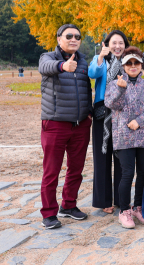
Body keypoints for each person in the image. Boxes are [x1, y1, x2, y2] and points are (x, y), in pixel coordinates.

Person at [38, 24, 93, 230]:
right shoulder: (48, 57)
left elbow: (86, 88)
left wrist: (88, 111)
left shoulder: (83, 61)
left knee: (76, 169)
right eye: (69, 36)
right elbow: (45, 68)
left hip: (80, 124)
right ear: (59, 38)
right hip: (55, 123)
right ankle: (49, 213)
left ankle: (68, 205)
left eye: (77, 36)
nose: (73, 39)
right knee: (51, 171)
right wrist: (63, 66)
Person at [105, 47, 144, 229]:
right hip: (124, 136)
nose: (133, 65)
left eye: (136, 62)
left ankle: (138, 207)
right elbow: (111, 104)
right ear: (123, 65)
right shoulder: (115, 84)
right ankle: (124, 211)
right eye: (129, 63)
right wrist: (121, 90)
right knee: (127, 173)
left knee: (143, 172)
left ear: (141, 65)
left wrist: (139, 121)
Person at [88, 30, 129, 214]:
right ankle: (104, 200)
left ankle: (121, 198)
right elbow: (92, 73)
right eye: (114, 43)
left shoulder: (129, 62)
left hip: (123, 113)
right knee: (102, 157)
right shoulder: (100, 60)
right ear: (107, 44)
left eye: (121, 43)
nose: (117, 46)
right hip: (102, 113)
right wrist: (99, 58)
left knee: (122, 157)